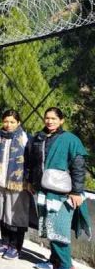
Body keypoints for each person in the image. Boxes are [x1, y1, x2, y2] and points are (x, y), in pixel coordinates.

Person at [27, 107, 90, 269]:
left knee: (59, 230)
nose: (49, 121)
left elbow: (78, 167)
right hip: (43, 190)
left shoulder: (71, 139)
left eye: (54, 118)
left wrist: (76, 191)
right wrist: (30, 181)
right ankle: (54, 261)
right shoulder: (38, 137)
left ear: (62, 120)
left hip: (63, 194)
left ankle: (66, 265)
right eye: (47, 118)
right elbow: (31, 162)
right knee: (49, 227)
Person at [0, 110, 31, 260]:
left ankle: (15, 247)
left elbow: (30, 160)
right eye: (6, 121)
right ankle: (4, 242)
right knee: (2, 213)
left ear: (18, 123)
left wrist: (28, 179)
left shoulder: (24, 137)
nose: (8, 125)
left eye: (12, 122)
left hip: (17, 183)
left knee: (16, 215)